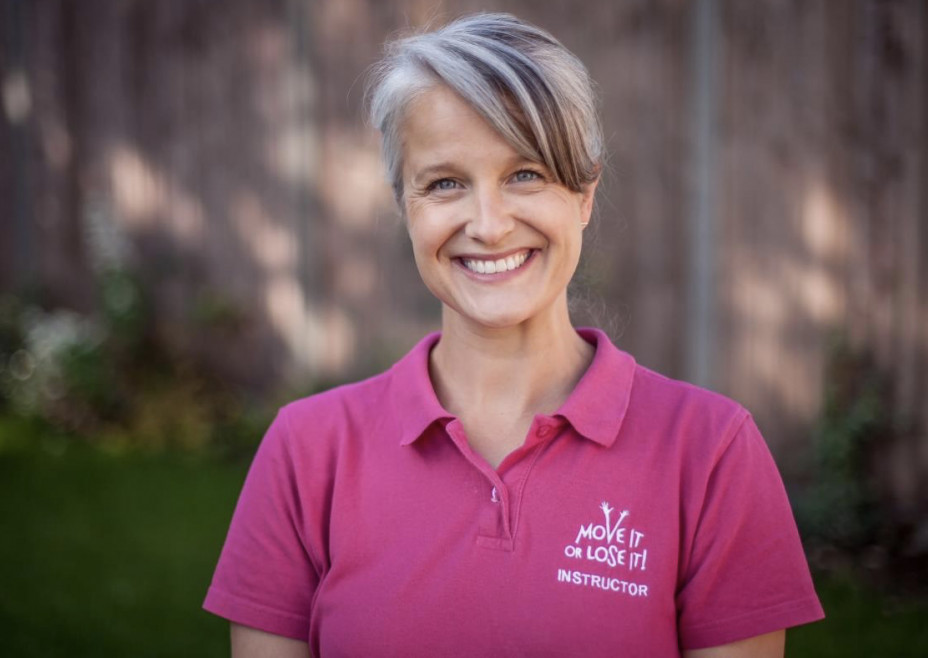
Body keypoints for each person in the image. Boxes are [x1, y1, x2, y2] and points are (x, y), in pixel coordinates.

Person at [204, 12, 824, 657]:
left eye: (525, 174)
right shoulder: (307, 452)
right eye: (445, 183)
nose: (490, 225)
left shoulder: (710, 452)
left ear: (585, 193)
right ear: (403, 207)